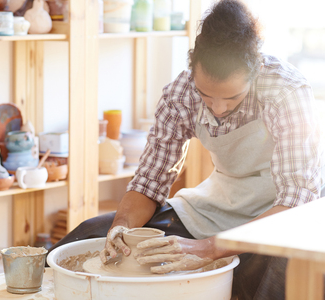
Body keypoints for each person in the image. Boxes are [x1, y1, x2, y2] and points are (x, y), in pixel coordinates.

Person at [48, 0, 325, 299]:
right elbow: (149, 183)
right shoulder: (180, 94)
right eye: (207, 96)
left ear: (255, 70)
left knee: (279, 272)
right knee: (92, 232)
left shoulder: (286, 93)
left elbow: (296, 203)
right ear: (193, 68)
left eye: (232, 98)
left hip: (284, 215)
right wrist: (122, 227)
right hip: (221, 203)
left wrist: (207, 249)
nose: (218, 108)